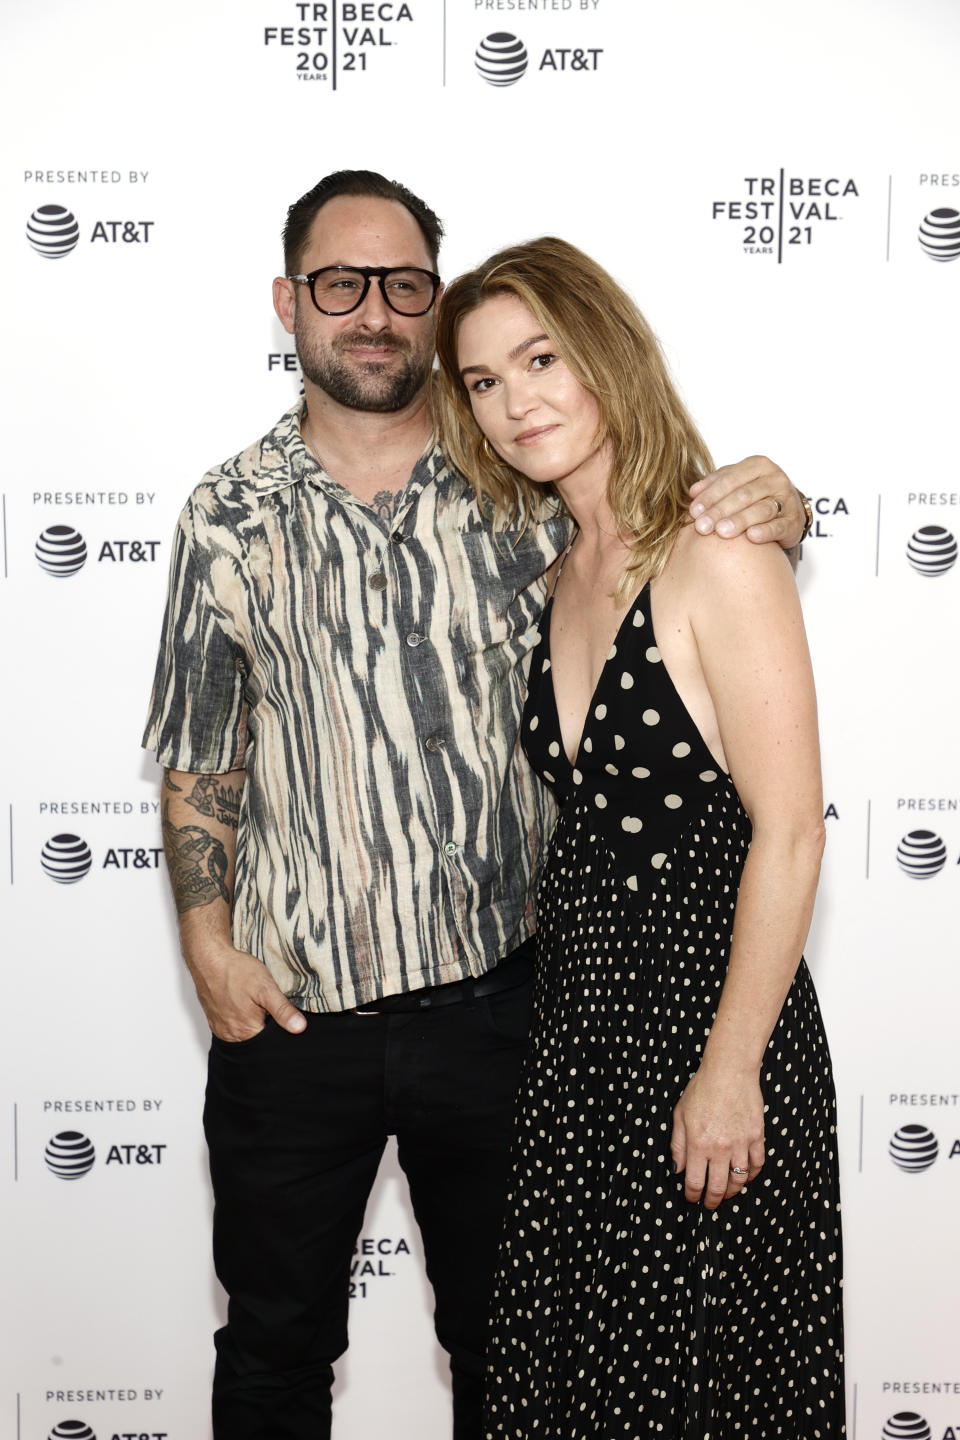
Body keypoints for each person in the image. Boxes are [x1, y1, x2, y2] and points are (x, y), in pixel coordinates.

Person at [141, 171, 808, 1440]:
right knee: (274, 1351)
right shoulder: (224, 517)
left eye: (403, 285)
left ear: (431, 306)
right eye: (341, 283)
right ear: (291, 303)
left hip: (507, 1014)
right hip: (292, 1027)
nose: (374, 311)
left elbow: (663, 529)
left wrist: (783, 499)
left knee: (518, 1360)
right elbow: (198, 760)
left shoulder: (513, 492)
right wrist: (204, 945)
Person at [434, 237, 844, 1438]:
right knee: (575, 1388)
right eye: (483, 381)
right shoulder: (551, 572)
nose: (517, 402)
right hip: (577, 1048)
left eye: (541, 358)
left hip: (705, 1037)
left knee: (705, 1391)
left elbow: (792, 836)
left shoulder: (719, 553)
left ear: (606, 355)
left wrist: (730, 1072)